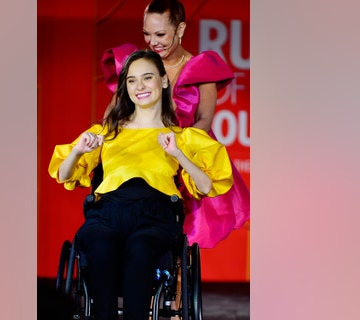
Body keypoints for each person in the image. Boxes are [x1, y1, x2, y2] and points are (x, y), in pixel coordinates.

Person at [48, 50, 233, 320]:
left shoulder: (181, 137)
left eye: (147, 78)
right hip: (107, 213)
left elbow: (205, 186)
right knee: (100, 246)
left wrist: (178, 155)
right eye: (132, 80)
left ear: (163, 81)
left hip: (155, 216)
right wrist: (77, 151)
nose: (139, 87)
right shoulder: (107, 133)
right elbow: (64, 175)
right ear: (125, 86)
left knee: (141, 248)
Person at [100, 0, 250, 248]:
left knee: (182, 223)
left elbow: (204, 120)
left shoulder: (200, 69)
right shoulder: (138, 66)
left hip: (183, 149)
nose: (152, 42)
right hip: (141, 152)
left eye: (160, 34)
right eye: (147, 34)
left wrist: (178, 149)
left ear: (180, 30)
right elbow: (112, 114)